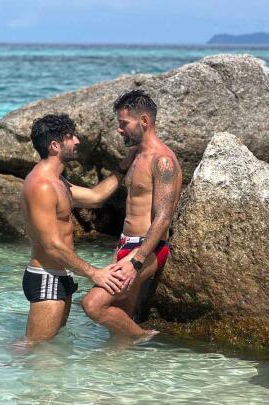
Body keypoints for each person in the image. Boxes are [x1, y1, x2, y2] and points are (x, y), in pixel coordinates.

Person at [21, 113, 137, 344]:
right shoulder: (42, 186)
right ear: (55, 146)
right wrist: (95, 273)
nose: (77, 141)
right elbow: (51, 246)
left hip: (61, 274)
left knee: (51, 349)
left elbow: (95, 197)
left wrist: (126, 163)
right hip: (47, 276)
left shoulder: (58, 181)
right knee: (35, 349)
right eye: (70, 137)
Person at [82, 90, 182, 339]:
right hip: (125, 245)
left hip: (147, 249)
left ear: (144, 122)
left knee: (92, 304)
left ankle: (144, 337)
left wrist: (136, 262)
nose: (120, 129)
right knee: (119, 329)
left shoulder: (163, 161)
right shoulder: (136, 156)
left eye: (124, 123)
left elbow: (163, 218)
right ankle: (126, 372)